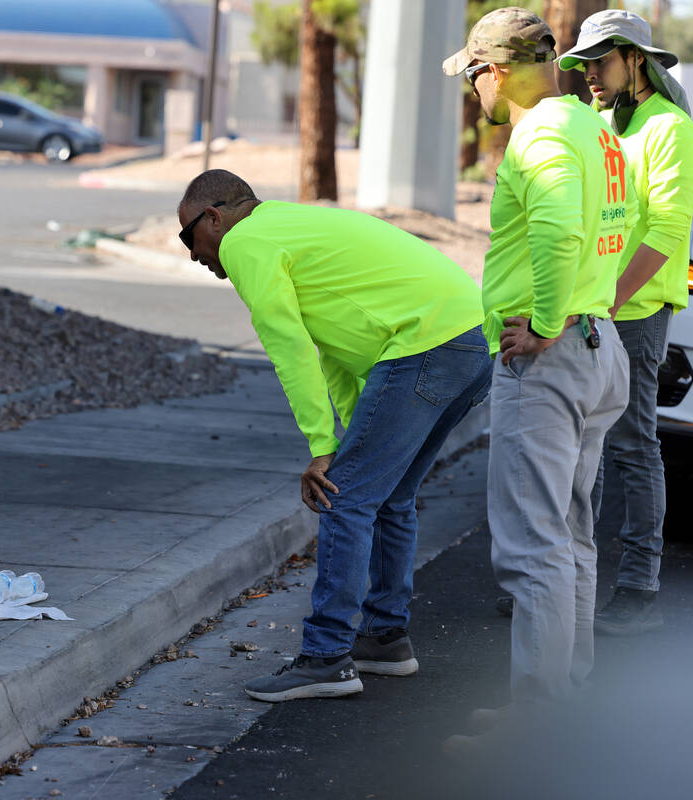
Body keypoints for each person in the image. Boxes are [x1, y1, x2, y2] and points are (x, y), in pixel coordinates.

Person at [176, 170, 492, 702]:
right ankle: (385, 639)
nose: (193, 255)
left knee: (343, 498)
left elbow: (289, 348)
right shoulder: (288, 226)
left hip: (424, 345)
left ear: (215, 216)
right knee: (389, 496)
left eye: (189, 237)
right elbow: (334, 354)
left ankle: (326, 656)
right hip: (467, 341)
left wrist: (323, 449)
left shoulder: (247, 241)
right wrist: (342, 440)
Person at [441, 7, 633, 728]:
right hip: (596, 344)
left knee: (533, 545)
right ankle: (563, 704)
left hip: (550, 357)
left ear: (496, 70)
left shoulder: (541, 133)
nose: (474, 95)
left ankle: (538, 723)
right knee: (572, 537)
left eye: (473, 79)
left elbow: (557, 229)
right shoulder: (591, 126)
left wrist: (547, 323)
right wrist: (581, 313)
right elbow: (623, 224)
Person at [553, 9, 693, 636]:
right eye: (581, 66)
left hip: (634, 311)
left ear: (636, 59)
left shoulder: (668, 127)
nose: (588, 76)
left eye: (598, 63)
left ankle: (637, 587)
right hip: (598, 307)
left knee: (634, 444)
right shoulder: (608, 122)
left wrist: (607, 300)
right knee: (590, 446)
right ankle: (572, 584)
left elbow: (665, 230)